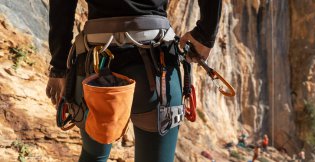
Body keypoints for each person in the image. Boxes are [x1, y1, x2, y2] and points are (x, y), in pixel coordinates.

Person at [45, 0, 222, 162]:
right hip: (156, 67)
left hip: (93, 65)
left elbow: (62, 5)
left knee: (93, 156)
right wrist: (205, 34)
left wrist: (59, 68)